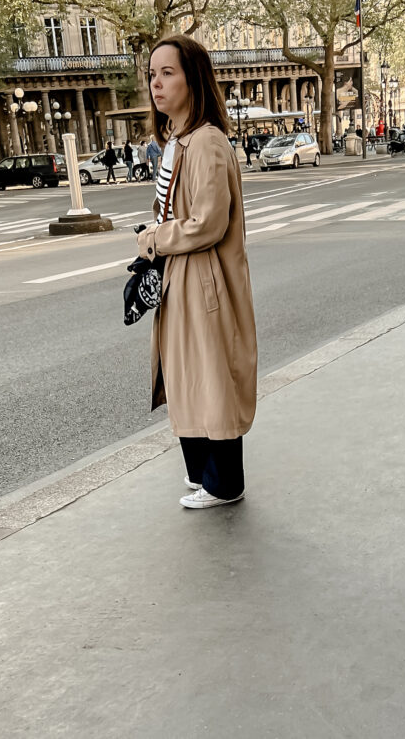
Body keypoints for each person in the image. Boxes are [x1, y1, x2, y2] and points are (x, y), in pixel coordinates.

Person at [136, 34, 257, 510]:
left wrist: (154, 238)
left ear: (194, 80)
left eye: (168, 73)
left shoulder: (206, 141)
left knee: (210, 376)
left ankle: (224, 483)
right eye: (152, 74)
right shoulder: (176, 140)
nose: (156, 84)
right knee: (187, 372)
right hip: (180, 272)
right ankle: (204, 473)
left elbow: (208, 222)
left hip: (202, 275)